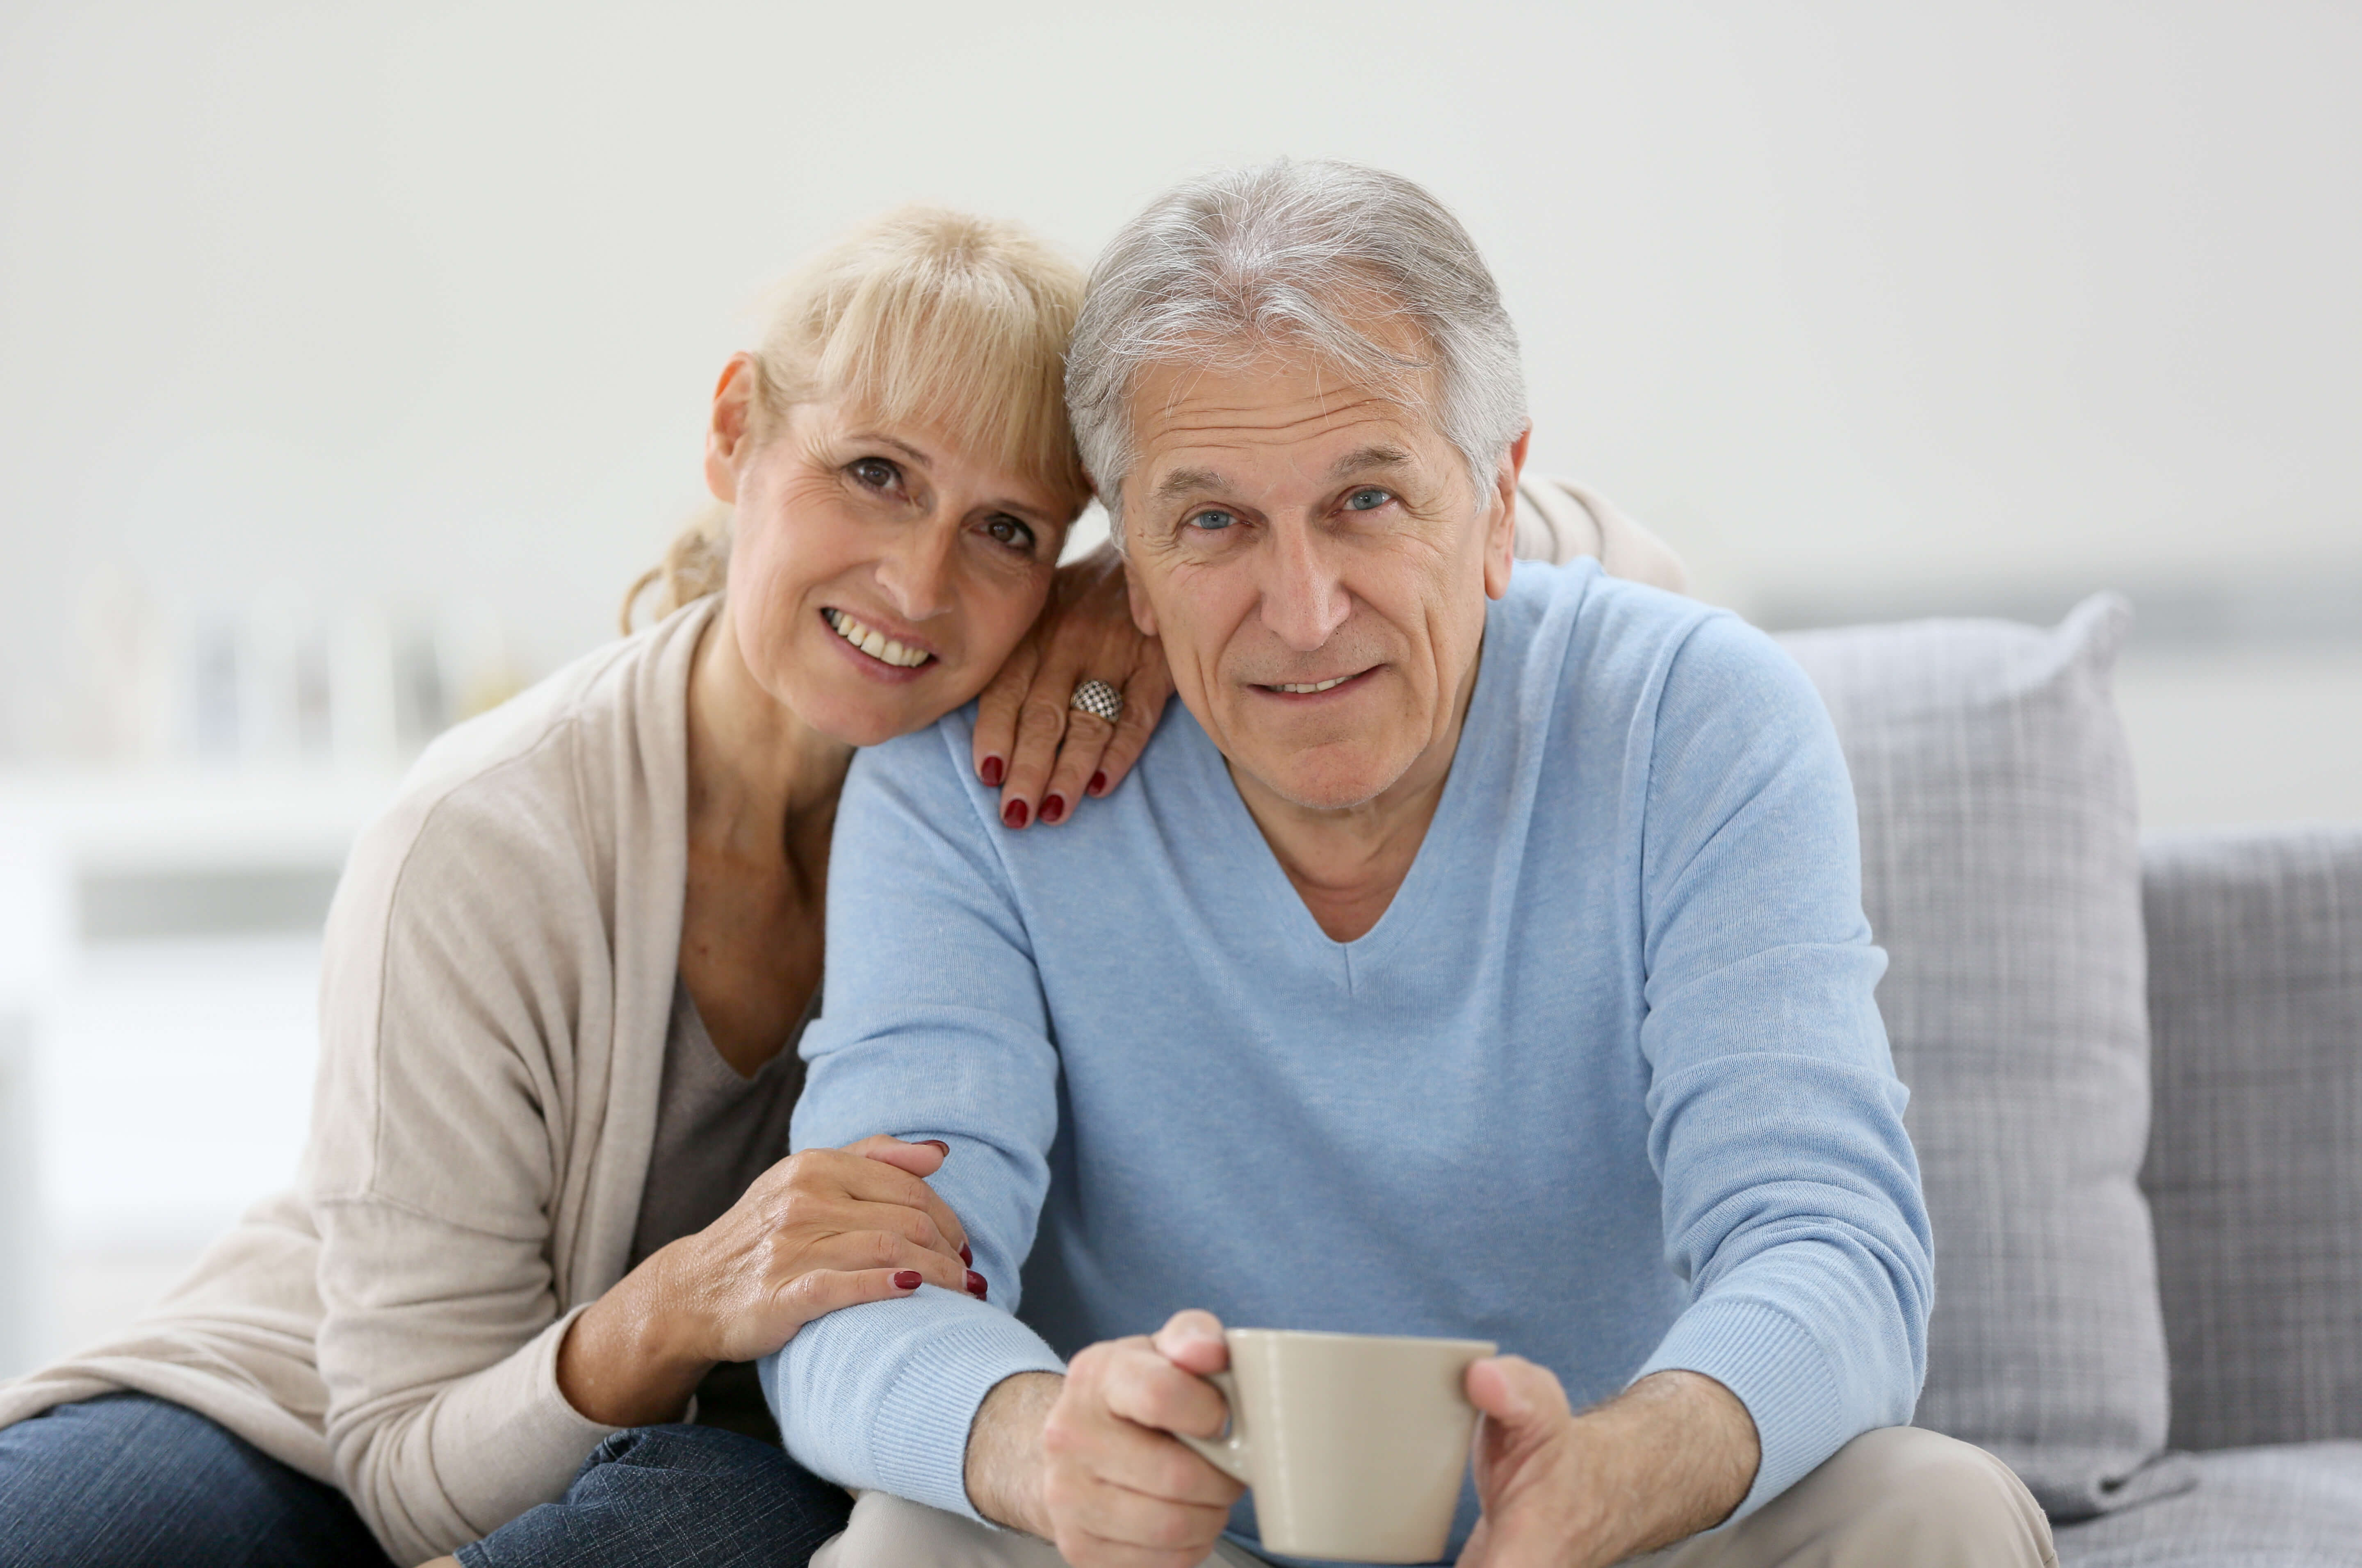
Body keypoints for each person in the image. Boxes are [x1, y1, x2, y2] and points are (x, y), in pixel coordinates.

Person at [764, 161, 2060, 1567]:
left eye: (1367, 500)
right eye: (1213, 522)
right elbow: (857, 1287)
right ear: (1127, 562)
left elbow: (1831, 1240)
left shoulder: (1697, 719)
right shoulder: (966, 788)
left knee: (1935, 1507)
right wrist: (1040, 1448)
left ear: (1500, 502)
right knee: (909, 1543)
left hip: (1613, 1534)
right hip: (1171, 1557)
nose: (1304, 612)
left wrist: (1631, 1464)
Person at [0, 206, 1174, 1568]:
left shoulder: (1016, 808)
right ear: (736, 432)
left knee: (705, 1516)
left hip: (713, 1467)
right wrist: (679, 1303)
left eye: (1010, 532)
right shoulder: (485, 837)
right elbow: (398, 1471)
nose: (919, 580)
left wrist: (1130, 605)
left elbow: (1442, 550)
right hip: (323, 1415)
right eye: (874, 473)